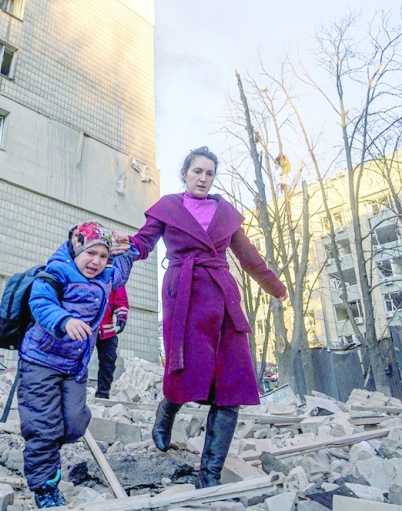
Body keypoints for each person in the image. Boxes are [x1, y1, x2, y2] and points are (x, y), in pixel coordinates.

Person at [120, 147, 287, 489]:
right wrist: (123, 247)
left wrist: (276, 287)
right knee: (186, 370)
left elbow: (249, 256)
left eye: (209, 173)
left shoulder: (225, 213)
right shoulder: (168, 207)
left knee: (232, 383)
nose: (203, 178)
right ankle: (167, 410)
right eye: (197, 171)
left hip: (223, 299)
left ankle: (209, 475)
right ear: (184, 173)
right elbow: (144, 242)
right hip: (184, 296)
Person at [18, 222, 136, 508]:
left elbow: (121, 272)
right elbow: (41, 303)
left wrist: (128, 248)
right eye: (90, 253)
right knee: (43, 426)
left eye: (103, 255)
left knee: (74, 424)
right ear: (76, 248)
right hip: (40, 362)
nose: (96, 261)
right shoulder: (57, 271)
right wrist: (64, 320)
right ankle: (45, 487)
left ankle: (47, 450)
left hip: (74, 367)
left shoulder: (105, 277)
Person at [94, 284, 128, 399]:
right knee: (78, 361)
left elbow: (120, 296)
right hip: (84, 326)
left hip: (107, 328)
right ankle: (75, 395)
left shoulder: (113, 276)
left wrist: (122, 315)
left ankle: (102, 394)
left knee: (109, 360)